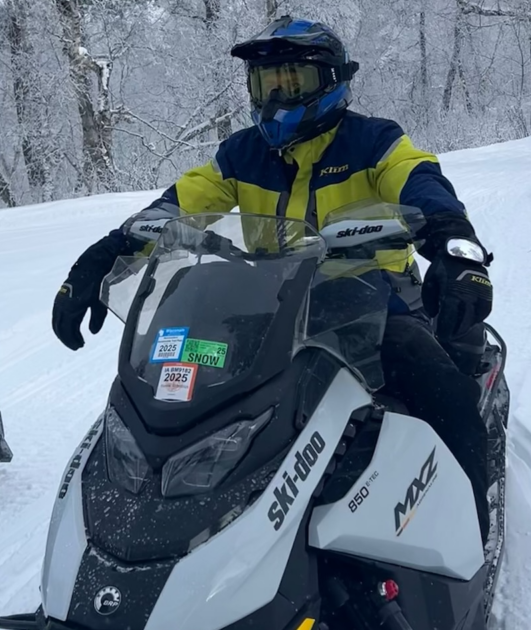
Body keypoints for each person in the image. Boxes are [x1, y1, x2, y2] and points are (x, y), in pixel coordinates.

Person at [50, 17, 494, 544]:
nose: (278, 96)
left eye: (293, 81)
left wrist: (452, 241)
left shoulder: (374, 141)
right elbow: (182, 203)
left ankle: (471, 519)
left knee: (440, 390)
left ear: (331, 81)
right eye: (267, 84)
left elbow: (419, 178)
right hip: (273, 301)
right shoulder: (242, 154)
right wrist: (112, 249)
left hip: (373, 299)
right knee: (192, 378)